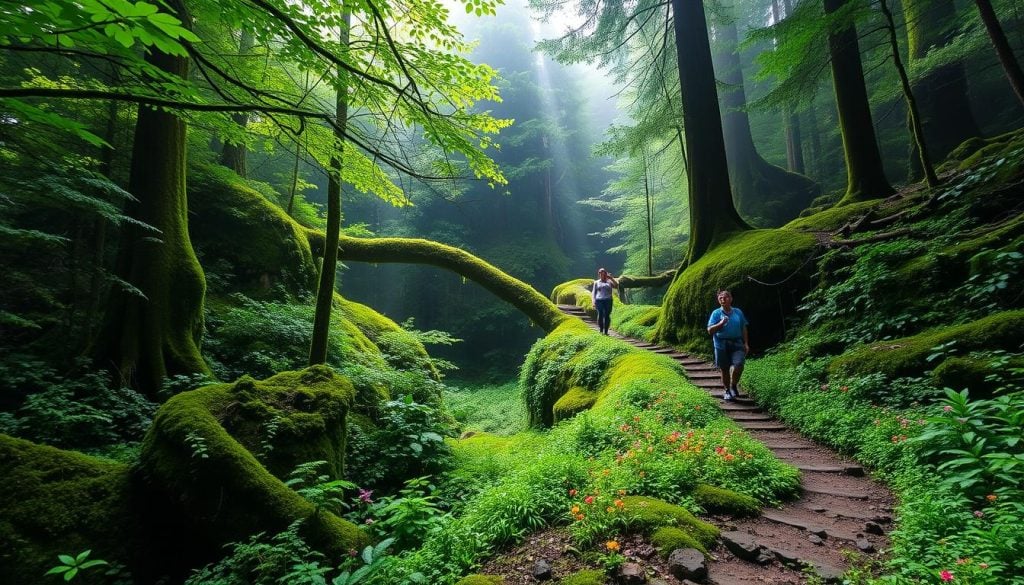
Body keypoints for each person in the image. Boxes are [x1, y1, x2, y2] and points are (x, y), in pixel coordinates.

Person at [706, 289, 749, 401]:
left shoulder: (738, 312)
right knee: (724, 369)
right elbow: (710, 330)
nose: (723, 299)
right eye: (720, 298)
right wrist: (721, 323)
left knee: (739, 364)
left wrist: (746, 343)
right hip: (721, 344)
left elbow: (743, 327)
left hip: (737, 343)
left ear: (731, 299)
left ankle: (733, 385)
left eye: (725, 297)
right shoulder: (716, 313)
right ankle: (727, 391)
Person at [591, 268, 618, 335]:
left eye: (604, 274)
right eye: (601, 274)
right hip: (599, 300)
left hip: (608, 300)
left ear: (606, 274)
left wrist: (611, 278)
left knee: (607, 315)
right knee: (600, 314)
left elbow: (616, 286)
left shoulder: (609, 282)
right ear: (599, 274)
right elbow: (593, 292)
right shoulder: (596, 282)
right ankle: (600, 330)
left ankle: (606, 331)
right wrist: (593, 301)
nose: (602, 275)